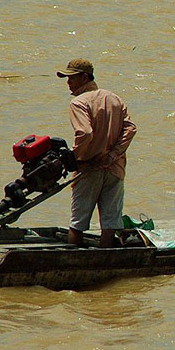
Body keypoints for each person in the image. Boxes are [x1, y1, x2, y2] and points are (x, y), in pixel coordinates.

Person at [56, 59, 137, 248]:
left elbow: (84, 133)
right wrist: (111, 155)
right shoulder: (114, 98)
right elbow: (130, 129)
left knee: (78, 223)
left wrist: (74, 158)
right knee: (110, 223)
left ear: (85, 77)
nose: (68, 83)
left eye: (72, 78)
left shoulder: (78, 102)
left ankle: (73, 263)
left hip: (88, 168)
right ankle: (105, 261)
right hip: (114, 167)